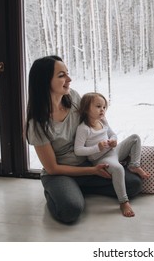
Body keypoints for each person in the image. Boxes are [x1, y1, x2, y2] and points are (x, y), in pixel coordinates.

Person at [25, 55, 142, 224]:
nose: (69, 79)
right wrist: (93, 172)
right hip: (60, 173)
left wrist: (109, 142)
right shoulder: (36, 123)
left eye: (67, 73)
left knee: (134, 184)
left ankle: (79, 188)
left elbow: (96, 123)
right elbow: (52, 168)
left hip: (89, 162)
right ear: (44, 81)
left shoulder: (73, 97)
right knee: (70, 210)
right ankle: (59, 191)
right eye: (61, 75)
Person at [74, 92, 149, 217]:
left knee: (135, 138)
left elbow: (112, 134)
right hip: (102, 159)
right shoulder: (84, 129)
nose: (102, 110)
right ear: (86, 108)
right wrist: (96, 148)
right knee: (118, 169)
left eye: (104, 107)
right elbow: (78, 150)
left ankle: (134, 165)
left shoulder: (102, 121)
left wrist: (114, 141)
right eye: (98, 106)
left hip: (113, 151)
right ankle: (124, 201)